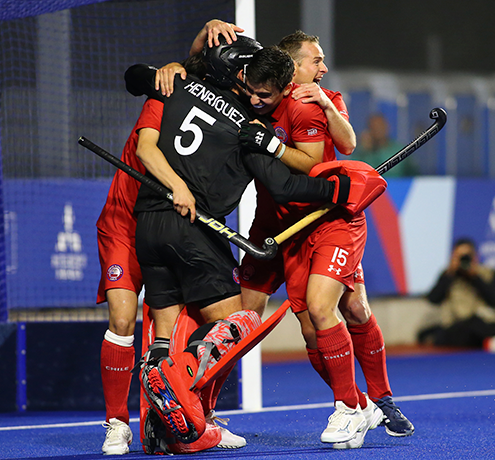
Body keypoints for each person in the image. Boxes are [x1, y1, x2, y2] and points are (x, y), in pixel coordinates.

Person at [124, 39, 356, 451]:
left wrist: (168, 65)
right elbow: (285, 187)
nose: (254, 94)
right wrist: (337, 190)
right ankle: (184, 399)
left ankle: (161, 430)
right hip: (192, 227)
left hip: (148, 225)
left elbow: (133, 77)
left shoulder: (176, 83)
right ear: (239, 75)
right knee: (240, 321)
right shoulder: (248, 126)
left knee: (164, 331)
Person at [237, 30, 415, 447]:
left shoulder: (322, 99)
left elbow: (346, 145)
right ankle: (357, 403)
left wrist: (325, 108)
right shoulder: (260, 95)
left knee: (346, 307)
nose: (324, 67)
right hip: (286, 228)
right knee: (312, 327)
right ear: (291, 65)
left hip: (329, 219)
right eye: (315, 60)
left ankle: (376, 400)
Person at [95, 50, 238, 455]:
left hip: (165, 230)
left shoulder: (204, 123)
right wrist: (168, 68)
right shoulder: (165, 97)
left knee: (182, 332)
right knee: (122, 319)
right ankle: (117, 424)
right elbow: (134, 74)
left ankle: (190, 421)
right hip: (123, 225)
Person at [422, 237, 495, 353]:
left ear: (475, 256)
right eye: (459, 257)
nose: (463, 260)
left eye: (467, 256)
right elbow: (433, 299)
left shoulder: (487, 273)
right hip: (456, 326)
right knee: (451, 332)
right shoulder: (447, 274)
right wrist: (450, 274)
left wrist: (475, 277)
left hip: (483, 322)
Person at [350, 113, 417, 177]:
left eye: (380, 126)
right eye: (374, 127)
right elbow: (353, 170)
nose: (378, 130)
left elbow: (414, 174)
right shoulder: (363, 154)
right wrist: (363, 151)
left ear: (387, 127)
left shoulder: (399, 150)